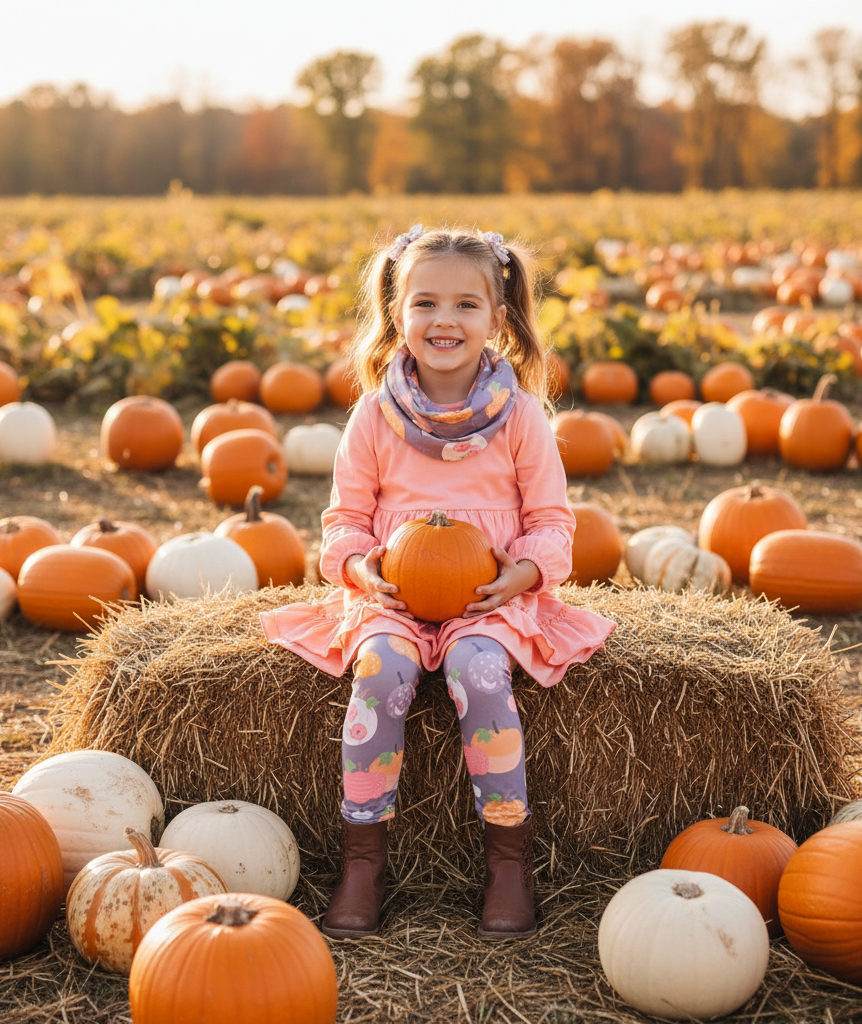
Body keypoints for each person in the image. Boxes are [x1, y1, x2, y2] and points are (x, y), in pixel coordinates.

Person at [260, 224, 615, 940]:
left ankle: (507, 859)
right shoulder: (374, 416)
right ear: (396, 314)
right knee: (380, 670)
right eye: (425, 303)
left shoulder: (520, 417)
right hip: (391, 598)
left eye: (465, 305)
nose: (443, 320)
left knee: (477, 670)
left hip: (490, 601)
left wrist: (522, 573)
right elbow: (344, 521)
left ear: (498, 319)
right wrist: (361, 568)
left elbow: (552, 522)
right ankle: (364, 858)